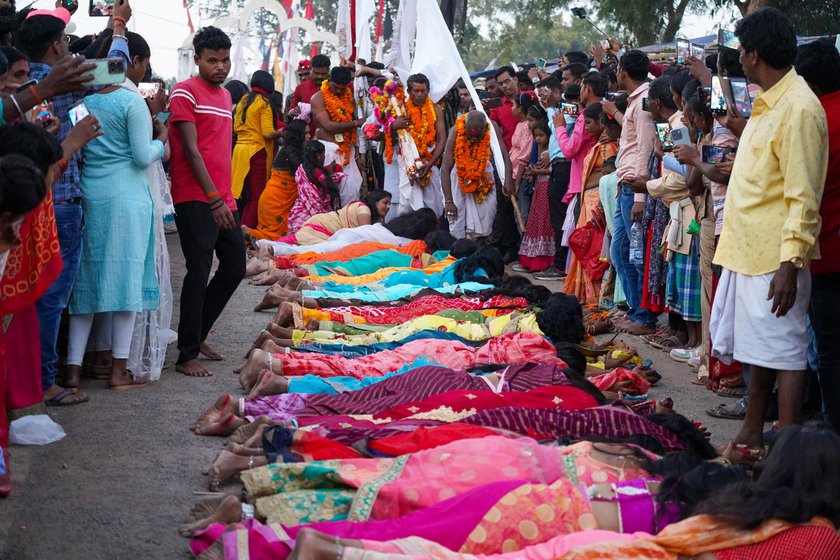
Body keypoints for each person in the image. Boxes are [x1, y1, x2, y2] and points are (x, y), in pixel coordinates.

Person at [710, 8, 828, 461]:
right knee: (759, 352)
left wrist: (789, 265)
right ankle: (753, 433)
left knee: (785, 352)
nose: (738, 59)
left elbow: (803, 196)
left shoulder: (799, 107)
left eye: (741, 51)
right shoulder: (770, 100)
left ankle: (788, 454)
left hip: (775, 258)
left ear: (754, 54)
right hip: (748, 250)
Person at [17, 3, 132, 399]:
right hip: (60, 202)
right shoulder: (65, 77)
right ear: (54, 46)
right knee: (51, 298)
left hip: (19, 202)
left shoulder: (13, 81)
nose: (67, 46)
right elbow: (118, 68)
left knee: (24, 298)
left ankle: (30, 378)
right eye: (64, 40)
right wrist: (118, 26)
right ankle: (45, 381)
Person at [64, 31, 166, 390]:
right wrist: (160, 143)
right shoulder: (131, 101)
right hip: (127, 198)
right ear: (128, 62)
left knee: (86, 283)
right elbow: (141, 156)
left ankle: (73, 370)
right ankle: (118, 371)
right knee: (127, 282)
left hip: (91, 193)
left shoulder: (84, 101)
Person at [169, 26, 246, 378]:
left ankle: (197, 336)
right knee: (198, 271)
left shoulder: (227, 97)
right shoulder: (184, 92)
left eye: (225, 59)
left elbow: (219, 149)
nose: (220, 66)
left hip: (222, 197)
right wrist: (213, 199)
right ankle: (185, 355)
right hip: (195, 198)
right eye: (212, 60)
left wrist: (223, 197)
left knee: (234, 268)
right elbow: (190, 150)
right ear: (197, 59)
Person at [794, 41, 840, 431]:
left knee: (828, 347)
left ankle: (831, 428)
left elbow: (803, 190)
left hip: (827, 250)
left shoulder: (816, 120)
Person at [611, 50, 658, 335]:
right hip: (625, 186)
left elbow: (645, 147)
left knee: (636, 253)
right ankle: (634, 308)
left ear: (623, 71)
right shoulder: (634, 100)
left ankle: (645, 317)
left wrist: (640, 196)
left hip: (635, 190)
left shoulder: (642, 101)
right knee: (620, 251)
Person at [563, 103, 618, 303]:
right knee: (586, 247)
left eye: (588, 123)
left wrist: (603, 206)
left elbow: (611, 178)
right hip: (588, 199)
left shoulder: (609, 147)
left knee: (594, 250)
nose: (585, 127)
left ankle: (596, 297)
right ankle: (585, 295)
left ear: (601, 124)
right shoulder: (600, 144)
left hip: (597, 201)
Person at [441, 111, 512, 240]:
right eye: (470, 135)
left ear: (485, 128)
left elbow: (505, 156)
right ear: (465, 126)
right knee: (456, 218)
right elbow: (445, 168)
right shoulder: (455, 131)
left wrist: (508, 180)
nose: (474, 138)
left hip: (484, 174)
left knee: (488, 213)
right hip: (459, 176)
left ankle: (478, 252)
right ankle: (458, 252)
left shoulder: (492, 127)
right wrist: (449, 201)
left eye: (478, 135)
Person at [231, 70, 282, 228]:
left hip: (240, 151)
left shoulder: (243, 100)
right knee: (256, 196)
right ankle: (246, 231)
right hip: (256, 152)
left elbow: (235, 126)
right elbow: (267, 133)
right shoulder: (264, 104)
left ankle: (237, 230)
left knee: (240, 195)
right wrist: (281, 131)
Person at [390, 73, 446, 217]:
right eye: (416, 91)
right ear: (409, 92)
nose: (420, 95)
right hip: (407, 164)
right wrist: (393, 127)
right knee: (407, 208)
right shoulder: (400, 110)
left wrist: (429, 165)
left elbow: (442, 139)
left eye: (423, 91)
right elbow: (389, 139)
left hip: (430, 163)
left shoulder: (436, 109)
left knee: (433, 207)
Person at [243, 119, 308, 241]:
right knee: (272, 238)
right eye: (306, 133)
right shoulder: (290, 151)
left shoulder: (294, 149)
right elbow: (302, 169)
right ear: (298, 135)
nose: (309, 136)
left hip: (279, 201)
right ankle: (244, 232)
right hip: (275, 202)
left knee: (280, 239)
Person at [536, 75, 574, 280]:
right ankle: (561, 263)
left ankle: (560, 265)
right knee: (558, 217)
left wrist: (550, 106)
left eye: (546, 92)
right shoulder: (557, 109)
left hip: (565, 167)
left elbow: (557, 125)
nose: (543, 97)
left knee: (561, 217)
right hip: (558, 167)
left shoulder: (569, 108)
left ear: (557, 93)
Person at [310, 66, 365, 203]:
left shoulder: (348, 95)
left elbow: (353, 130)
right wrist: (355, 123)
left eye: (343, 88)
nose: (340, 91)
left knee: (352, 190)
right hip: (328, 150)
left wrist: (357, 153)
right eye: (336, 87)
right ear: (329, 80)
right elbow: (328, 126)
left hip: (347, 149)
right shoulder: (318, 98)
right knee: (331, 193)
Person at [516, 120, 554, 271]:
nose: (538, 139)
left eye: (541, 135)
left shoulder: (550, 152)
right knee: (535, 220)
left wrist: (535, 172)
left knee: (544, 221)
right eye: (536, 136)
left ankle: (544, 259)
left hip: (547, 187)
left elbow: (551, 170)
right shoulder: (537, 149)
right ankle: (530, 259)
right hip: (539, 187)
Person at [287, 140, 342, 233]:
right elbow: (330, 187)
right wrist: (332, 175)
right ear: (318, 155)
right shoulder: (317, 171)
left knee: (295, 234)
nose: (324, 157)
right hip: (313, 210)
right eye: (323, 154)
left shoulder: (302, 168)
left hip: (300, 208)